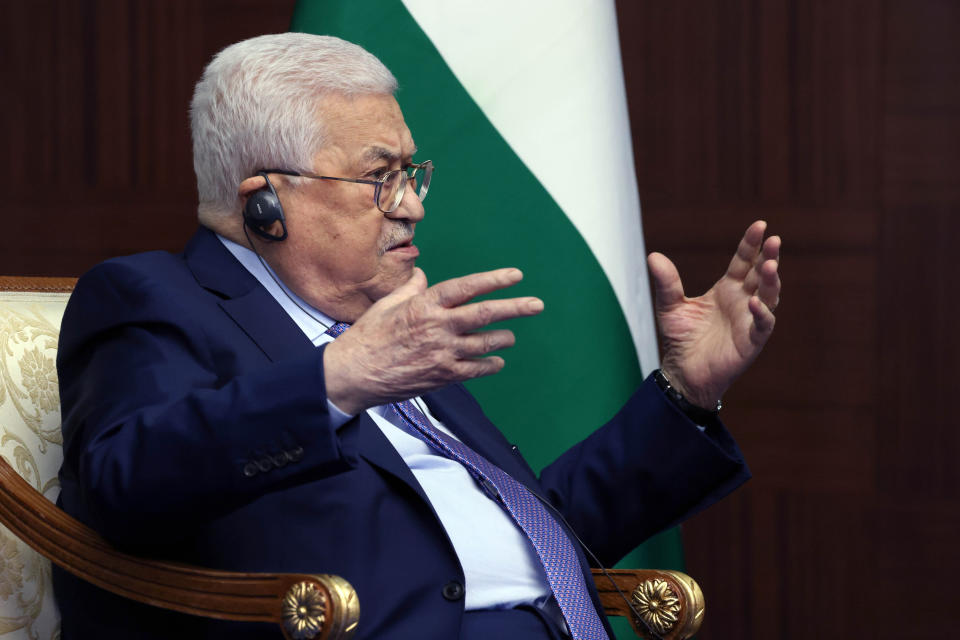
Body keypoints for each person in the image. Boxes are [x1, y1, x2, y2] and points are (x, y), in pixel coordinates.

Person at [54, 33, 780, 639]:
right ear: (266, 203)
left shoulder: (390, 332)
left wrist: (687, 395)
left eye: (411, 174)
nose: (412, 208)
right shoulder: (153, 298)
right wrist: (336, 381)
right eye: (381, 178)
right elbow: (127, 482)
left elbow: (540, 539)